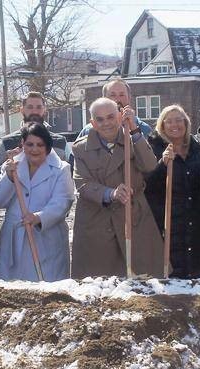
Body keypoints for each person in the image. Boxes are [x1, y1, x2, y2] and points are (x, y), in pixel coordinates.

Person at [71, 97, 164, 278]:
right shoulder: (80, 149)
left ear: (120, 117)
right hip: (97, 222)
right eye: (100, 119)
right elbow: (82, 183)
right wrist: (110, 193)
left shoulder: (134, 140)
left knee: (143, 281)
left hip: (133, 217)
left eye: (111, 117)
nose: (106, 123)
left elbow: (150, 166)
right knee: (99, 284)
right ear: (92, 123)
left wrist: (135, 132)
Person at [0, 123, 74, 281]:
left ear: (47, 146)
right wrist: (8, 178)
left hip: (46, 240)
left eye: (40, 145)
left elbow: (63, 202)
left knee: (46, 293)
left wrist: (39, 217)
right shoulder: (12, 166)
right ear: (22, 144)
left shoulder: (61, 169)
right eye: (30, 144)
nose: (34, 149)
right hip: (14, 241)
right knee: (13, 293)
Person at [144, 105, 200, 278]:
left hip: (194, 220)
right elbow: (146, 185)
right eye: (169, 121)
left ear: (186, 123)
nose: (175, 125)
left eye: (179, 120)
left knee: (195, 273)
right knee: (172, 274)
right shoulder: (153, 148)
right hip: (167, 221)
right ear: (162, 125)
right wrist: (162, 165)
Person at [0, 91, 69, 166]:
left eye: (39, 107)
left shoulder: (60, 142)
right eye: (30, 107)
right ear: (22, 110)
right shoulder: (6, 142)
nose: (35, 111)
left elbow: (71, 172)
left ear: (44, 110)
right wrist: (8, 163)